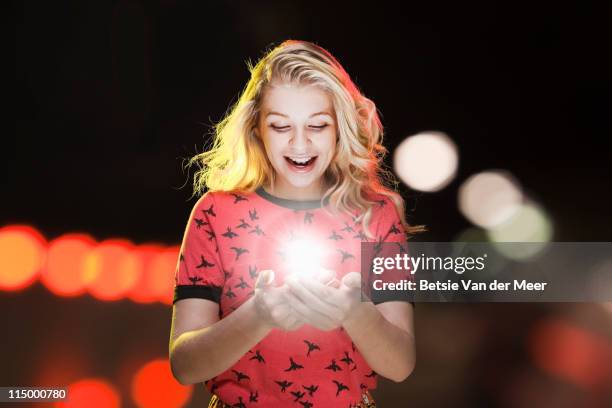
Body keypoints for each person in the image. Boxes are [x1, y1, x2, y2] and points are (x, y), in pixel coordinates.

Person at [169, 40, 424, 408]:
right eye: (280, 126)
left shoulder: (376, 214)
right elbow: (184, 366)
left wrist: (353, 311)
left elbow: (400, 365)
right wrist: (258, 315)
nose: (299, 143)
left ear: (340, 128)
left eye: (317, 125)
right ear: (256, 129)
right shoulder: (214, 213)